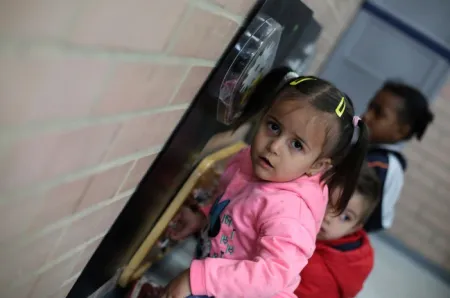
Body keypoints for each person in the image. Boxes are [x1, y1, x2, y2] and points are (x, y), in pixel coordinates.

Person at [162, 75, 369, 298]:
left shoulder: (291, 212)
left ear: (317, 165)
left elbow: (272, 274)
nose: (274, 146)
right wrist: (202, 219)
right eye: (274, 126)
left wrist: (199, 279)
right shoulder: (252, 163)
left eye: (297, 145)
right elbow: (233, 203)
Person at [294, 163, 380, 298]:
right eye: (328, 201)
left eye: (345, 217)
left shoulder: (316, 273)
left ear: (355, 228)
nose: (328, 217)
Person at [362, 81, 434, 232]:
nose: (367, 116)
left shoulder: (379, 165)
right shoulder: (369, 152)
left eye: (379, 114)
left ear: (402, 131)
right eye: (370, 107)